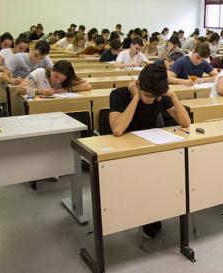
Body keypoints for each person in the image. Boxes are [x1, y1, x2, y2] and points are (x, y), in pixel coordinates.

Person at [108, 63, 191, 239]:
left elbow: (185, 123)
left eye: (155, 97)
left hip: (151, 150)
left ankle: (154, 211)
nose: (151, 101)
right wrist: (136, 97)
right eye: (147, 96)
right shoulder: (119, 95)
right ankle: (145, 213)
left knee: (169, 175)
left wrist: (173, 95)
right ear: (138, 84)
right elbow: (117, 129)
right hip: (125, 154)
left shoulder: (158, 96)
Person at [17, 60, 91, 96]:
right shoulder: (40, 73)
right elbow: (20, 89)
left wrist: (66, 89)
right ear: (52, 70)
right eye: (56, 77)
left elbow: (87, 85)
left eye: (62, 79)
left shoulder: (67, 79)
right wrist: (39, 91)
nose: (57, 81)